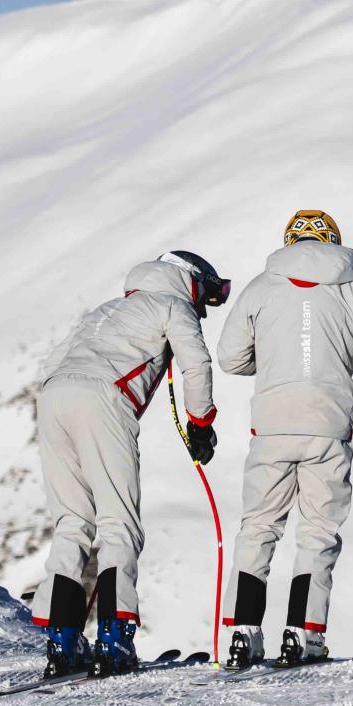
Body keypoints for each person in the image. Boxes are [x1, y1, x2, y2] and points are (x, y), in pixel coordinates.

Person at [216, 209, 353, 669]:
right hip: (327, 424)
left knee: (258, 526)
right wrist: (336, 359)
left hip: (272, 424)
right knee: (318, 530)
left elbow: (230, 359)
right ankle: (303, 633)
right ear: (334, 243)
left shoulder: (261, 287)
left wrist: (275, 362)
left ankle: (243, 632)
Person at [34, 250, 226, 675]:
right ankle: (114, 639)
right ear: (190, 281)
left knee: (71, 522)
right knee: (118, 523)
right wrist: (200, 424)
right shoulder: (172, 306)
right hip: (104, 399)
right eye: (206, 296)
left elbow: (50, 364)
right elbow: (196, 364)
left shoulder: (106, 310)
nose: (203, 307)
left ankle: (62, 641)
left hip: (52, 398)